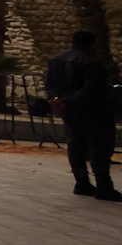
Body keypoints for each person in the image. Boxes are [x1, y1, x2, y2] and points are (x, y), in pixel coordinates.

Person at [46, 30, 118, 200]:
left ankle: (81, 181)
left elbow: (50, 84)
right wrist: (69, 100)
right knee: (99, 146)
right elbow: (91, 89)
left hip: (68, 109)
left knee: (75, 144)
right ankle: (103, 185)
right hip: (92, 110)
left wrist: (57, 100)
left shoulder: (56, 60)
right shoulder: (91, 62)